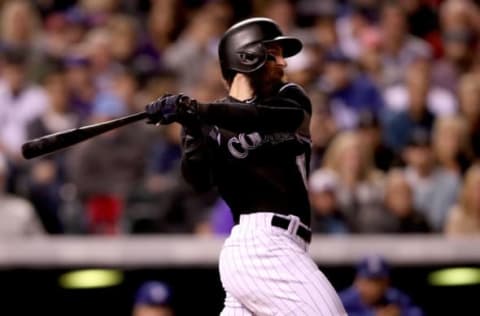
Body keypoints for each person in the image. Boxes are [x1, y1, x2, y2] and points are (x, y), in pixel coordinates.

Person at [145, 17, 346, 316]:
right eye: (274, 54)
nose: (284, 63)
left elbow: (269, 118)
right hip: (261, 246)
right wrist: (191, 130)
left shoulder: (288, 98)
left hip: (283, 247)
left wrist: (198, 110)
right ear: (247, 56)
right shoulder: (207, 122)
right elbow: (198, 181)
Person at [340, 255, 424, 316]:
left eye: (378, 281)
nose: (374, 287)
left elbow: (417, 312)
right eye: (370, 281)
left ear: (386, 282)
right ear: (358, 281)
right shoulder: (344, 300)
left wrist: (400, 313)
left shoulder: (394, 297)